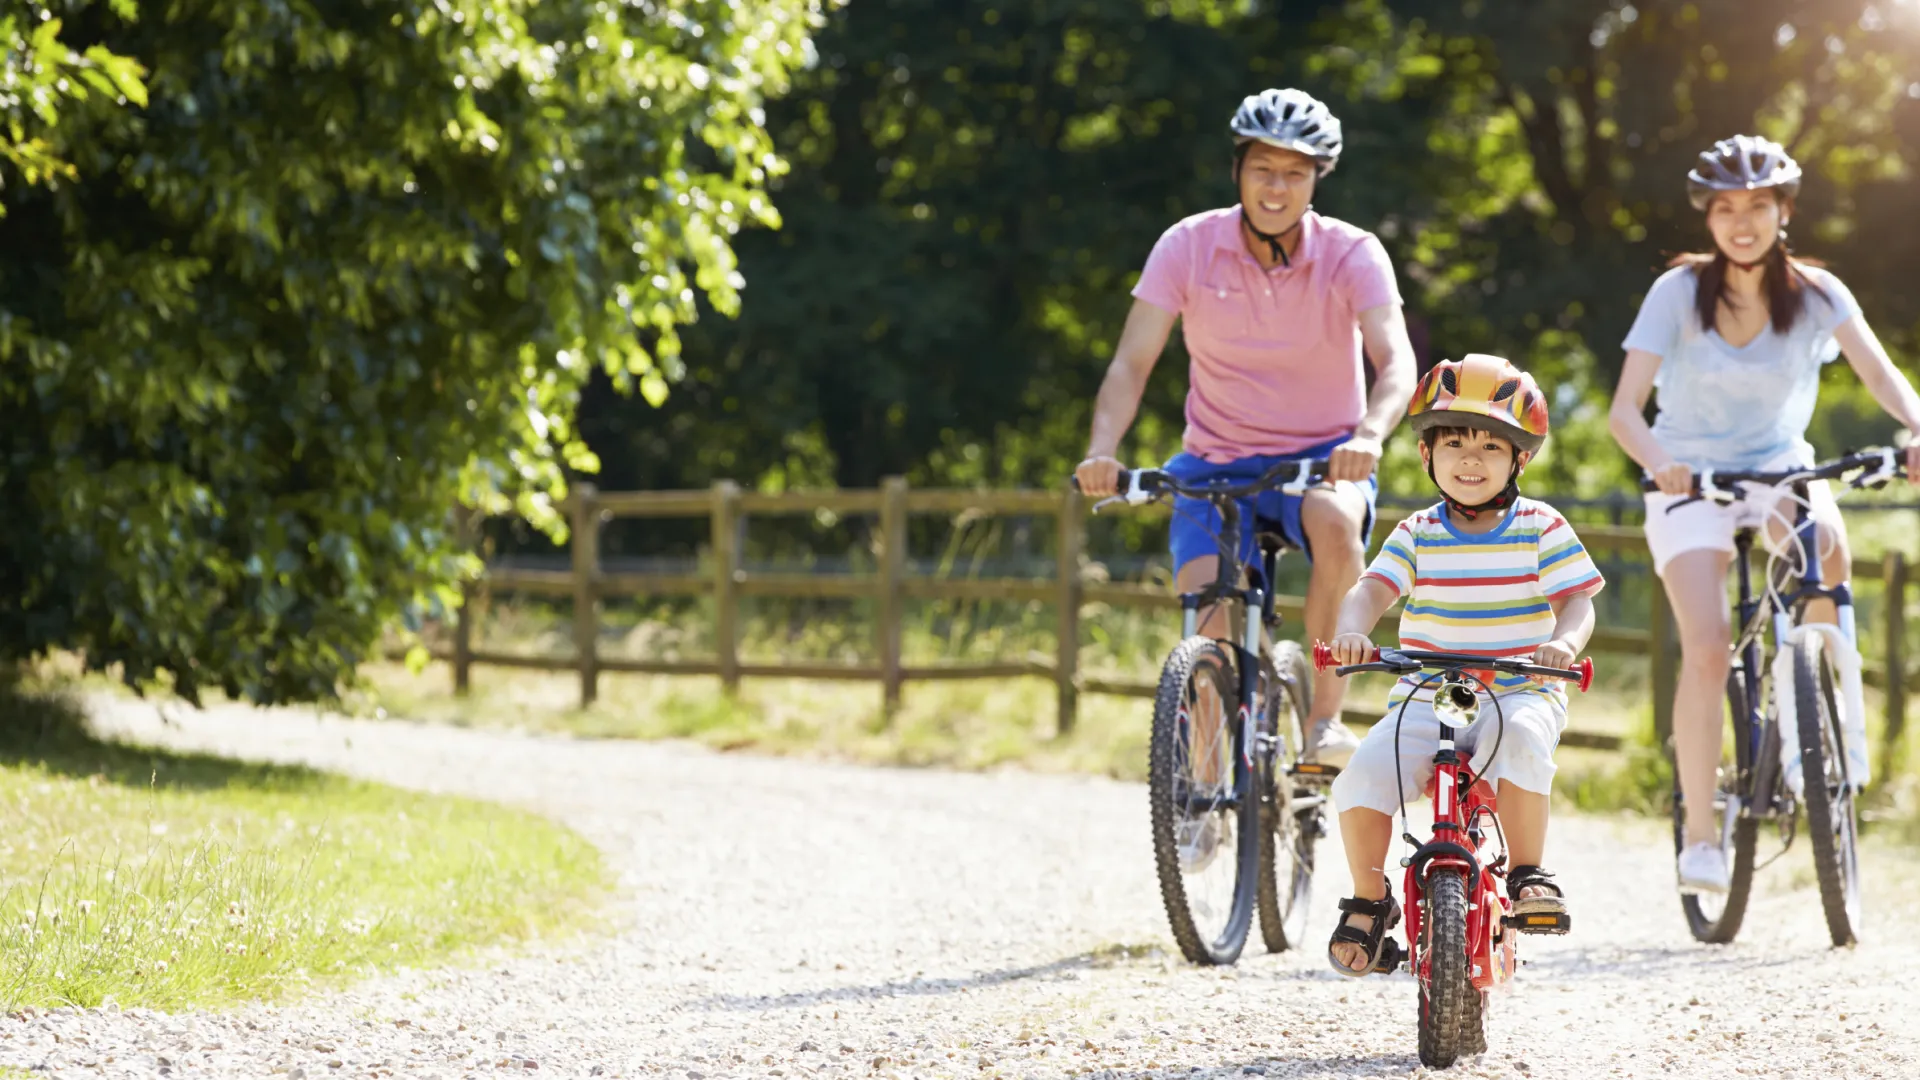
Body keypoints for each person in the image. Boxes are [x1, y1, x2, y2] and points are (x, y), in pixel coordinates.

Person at [1606, 134, 1920, 896]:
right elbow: (1623, 412)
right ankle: (1703, 843)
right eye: (1724, 208)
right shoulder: (1676, 294)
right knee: (1709, 645)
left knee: (1829, 550)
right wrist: (1660, 463)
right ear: (1707, 218)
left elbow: (1885, 377)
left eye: (1757, 206)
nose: (1741, 222)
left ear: (1783, 212)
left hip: (1780, 465)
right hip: (1689, 475)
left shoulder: (1817, 293)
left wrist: (1916, 428)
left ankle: (1819, 713)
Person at [1073, 87, 1419, 764]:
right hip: (1213, 460)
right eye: (1263, 168)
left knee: (1336, 523)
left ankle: (1323, 721)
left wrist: (1370, 434)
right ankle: (1202, 776)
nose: (1276, 186)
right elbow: (1130, 363)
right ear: (1238, 169)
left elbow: (1396, 360)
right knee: (1206, 607)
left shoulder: (1353, 253)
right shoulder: (1187, 246)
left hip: (1323, 458)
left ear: (1318, 178)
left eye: (1295, 172)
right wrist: (1101, 450)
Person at [1323, 354, 1603, 976]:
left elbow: (1577, 600)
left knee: (1527, 740)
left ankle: (1530, 871)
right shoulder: (1418, 532)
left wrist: (1563, 643)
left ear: (1518, 460)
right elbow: (1371, 590)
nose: (1470, 460)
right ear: (1427, 455)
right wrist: (1351, 632)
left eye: (1490, 446)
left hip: (1518, 687)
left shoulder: (1540, 526)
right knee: (1363, 774)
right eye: (1453, 443)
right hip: (1428, 690)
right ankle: (1369, 901)